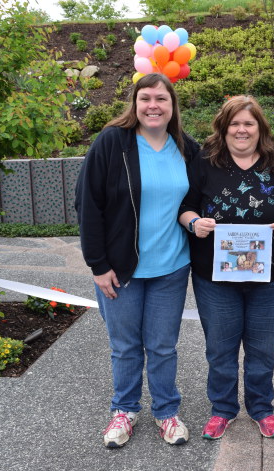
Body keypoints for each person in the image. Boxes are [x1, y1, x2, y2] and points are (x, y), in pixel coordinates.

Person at [75, 73, 200, 448]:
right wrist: (98, 265)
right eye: (145, 98)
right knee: (125, 347)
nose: (153, 106)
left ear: (172, 105)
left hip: (171, 268)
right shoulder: (113, 142)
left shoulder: (187, 148)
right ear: (135, 103)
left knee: (162, 346)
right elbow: (87, 203)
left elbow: (197, 200)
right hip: (120, 269)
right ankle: (124, 410)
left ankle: (166, 411)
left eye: (161, 99)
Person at [179, 95, 274, 440]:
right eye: (234, 123)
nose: (242, 129)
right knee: (220, 349)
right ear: (223, 127)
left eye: (249, 123)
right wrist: (194, 223)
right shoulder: (205, 161)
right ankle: (222, 409)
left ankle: (261, 408)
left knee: (265, 350)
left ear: (260, 127)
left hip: (271, 277)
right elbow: (184, 207)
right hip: (215, 279)